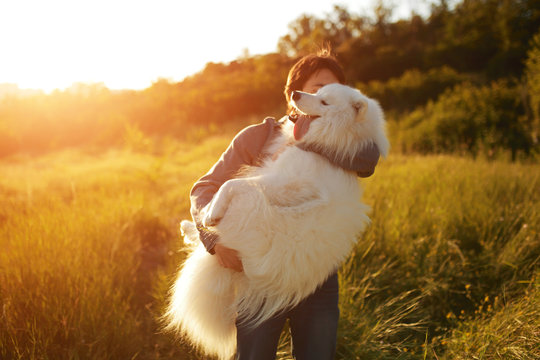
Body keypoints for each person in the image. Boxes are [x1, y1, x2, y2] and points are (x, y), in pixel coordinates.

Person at [189, 49, 380, 360]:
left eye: (333, 92)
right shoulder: (257, 136)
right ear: (296, 94)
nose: (325, 97)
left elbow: (369, 159)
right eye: (318, 89)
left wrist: (308, 142)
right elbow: (204, 188)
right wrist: (213, 240)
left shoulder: (347, 139)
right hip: (260, 275)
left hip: (318, 275)